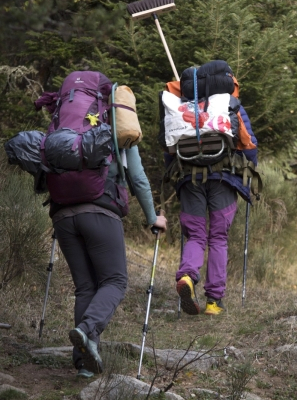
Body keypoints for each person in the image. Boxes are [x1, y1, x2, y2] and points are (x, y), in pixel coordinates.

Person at [51, 145, 167, 378]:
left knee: (85, 287)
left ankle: (85, 363)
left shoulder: (64, 123)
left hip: (62, 215)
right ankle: (85, 329)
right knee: (115, 281)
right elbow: (138, 178)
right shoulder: (119, 128)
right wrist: (153, 218)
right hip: (101, 211)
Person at [162, 67, 258, 316]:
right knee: (218, 237)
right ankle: (214, 302)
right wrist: (248, 172)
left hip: (189, 180)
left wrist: (178, 177)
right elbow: (248, 145)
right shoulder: (229, 103)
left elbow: (168, 149)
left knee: (195, 235)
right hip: (223, 180)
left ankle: (187, 277)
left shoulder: (179, 106)